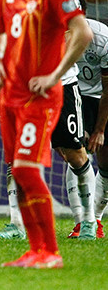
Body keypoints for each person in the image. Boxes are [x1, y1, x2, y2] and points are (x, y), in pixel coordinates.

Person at [0, 0, 91, 269]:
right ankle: (36, 251)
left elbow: (83, 32)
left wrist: (55, 73)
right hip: (10, 97)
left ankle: (51, 251)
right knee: (18, 173)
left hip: (40, 98)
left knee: (27, 169)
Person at [76, 17, 108, 238]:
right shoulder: (56, 35)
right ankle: (82, 221)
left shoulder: (103, 38)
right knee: (76, 152)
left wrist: (99, 130)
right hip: (75, 93)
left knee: (106, 163)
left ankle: (96, 219)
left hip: (102, 96)